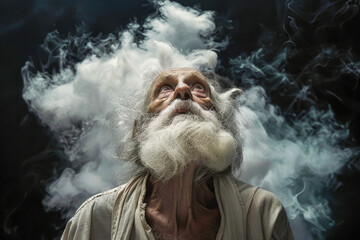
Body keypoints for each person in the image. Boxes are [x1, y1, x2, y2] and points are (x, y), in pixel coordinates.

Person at [61, 67, 293, 240]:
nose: (183, 90)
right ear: (139, 130)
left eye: (198, 87)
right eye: (165, 89)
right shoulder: (96, 218)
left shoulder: (263, 213)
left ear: (221, 123)